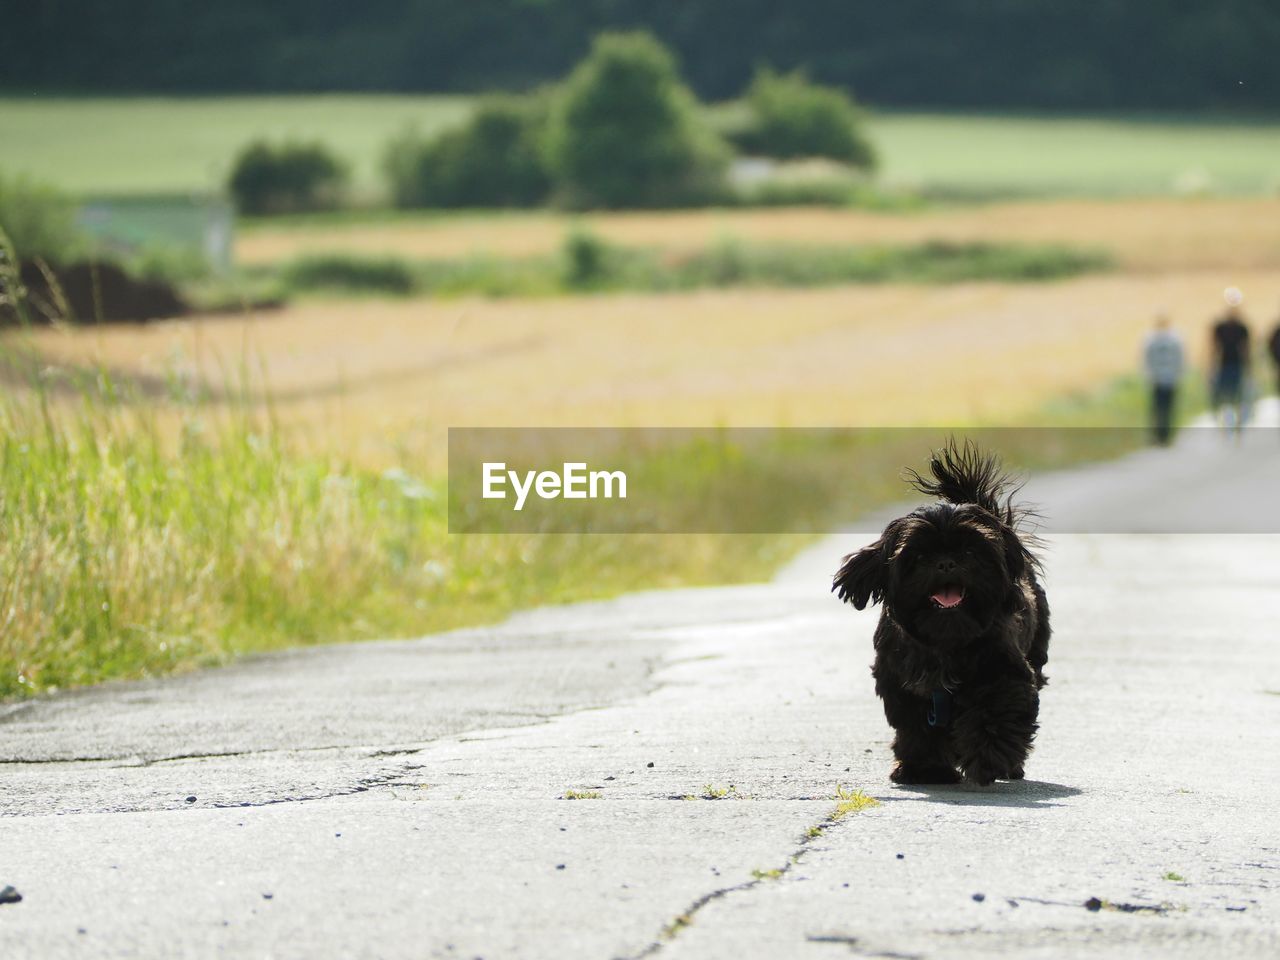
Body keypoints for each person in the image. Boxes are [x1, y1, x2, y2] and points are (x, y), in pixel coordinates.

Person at [1142, 313, 1183, 445]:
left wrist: (1178, 373)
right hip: (1158, 378)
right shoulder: (1152, 339)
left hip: (1169, 377)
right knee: (1157, 408)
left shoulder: (1174, 339)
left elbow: (1179, 358)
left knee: (1167, 408)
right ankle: (1158, 434)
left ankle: (1166, 434)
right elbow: (1146, 358)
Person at [1210, 303, 1251, 432]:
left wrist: (1249, 367)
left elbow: (1246, 349)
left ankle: (1237, 423)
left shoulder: (1242, 328)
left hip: (1238, 365)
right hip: (1223, 365)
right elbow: (1214, 347)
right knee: (1224, 396)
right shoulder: (1219, 327)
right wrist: (1211, 366)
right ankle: (1225, 422)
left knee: (1238, 396)